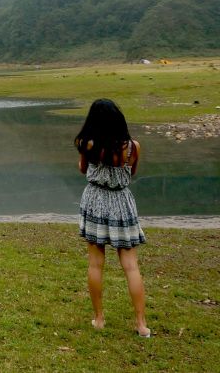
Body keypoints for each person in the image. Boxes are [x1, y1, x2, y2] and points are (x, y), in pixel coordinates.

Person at [75, 98, 150, 337]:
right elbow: (132, 171)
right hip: (121, 203)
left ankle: (99, 318)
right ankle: (141, 324)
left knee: (96, 264)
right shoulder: (133, 147)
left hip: (95, 201)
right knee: (131, 267)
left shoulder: (87, 144)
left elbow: (82, 168)